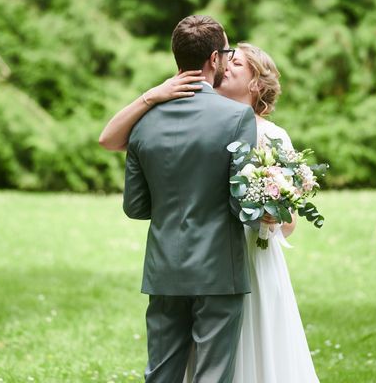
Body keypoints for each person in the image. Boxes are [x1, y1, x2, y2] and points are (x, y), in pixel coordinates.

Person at [100, 33, 320, 382]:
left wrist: (271, 215)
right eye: (226, 59)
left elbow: (289, 221)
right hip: (213, 263)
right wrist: (152, 95)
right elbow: (112, 141)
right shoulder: (190, 116)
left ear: (255, 83)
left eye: (237, 63)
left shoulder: (273, 136)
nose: (227, 65)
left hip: (248, 257)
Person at [115, 15, 258, 382]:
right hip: (218, 269)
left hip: (164, 269)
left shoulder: (143, 122)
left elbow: (135, 207)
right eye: (226, 53)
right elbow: (241, 204)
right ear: (214, 59)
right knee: (212, 375)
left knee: (160, 374)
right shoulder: (238, 117)